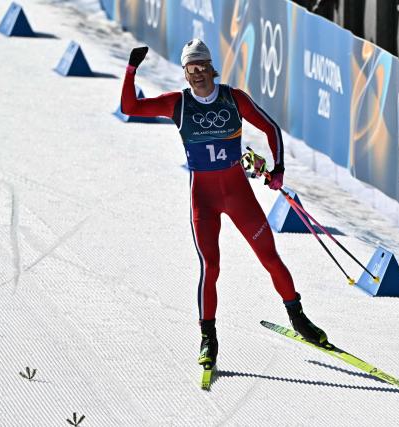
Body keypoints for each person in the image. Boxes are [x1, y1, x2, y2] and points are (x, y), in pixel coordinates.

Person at [120, 40, 329, 369]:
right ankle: (208, 338)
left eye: (203, 67)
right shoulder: (179, 104)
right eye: (192, 69)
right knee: (211, 268)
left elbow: (271, 128)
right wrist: (131, 69)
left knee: (270, 257)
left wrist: (278, 170)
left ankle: (299, 318)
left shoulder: (233, 98)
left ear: (211, 68)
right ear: (186, 74)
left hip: (238, 195)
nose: (199, 74)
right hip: (203, 199)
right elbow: (131, 107)